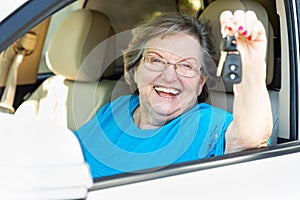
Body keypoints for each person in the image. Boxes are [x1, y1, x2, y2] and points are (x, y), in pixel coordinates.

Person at [74, 10, 273, 178]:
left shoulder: (206, 123)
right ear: (134, 70)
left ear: (200, 82)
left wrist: (251, 68)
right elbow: (68, 157)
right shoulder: (117, 107)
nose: (169, 77)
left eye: (186, 65)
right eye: (156, 60)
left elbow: (249, 139)